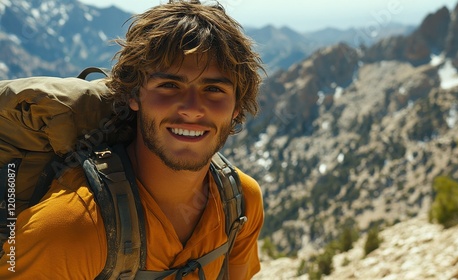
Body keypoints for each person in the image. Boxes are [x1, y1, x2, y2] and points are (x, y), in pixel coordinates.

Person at [0, 0, 265, 279]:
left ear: (236, 107)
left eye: (213, 89)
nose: (191, 108)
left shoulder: (240, 202)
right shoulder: (68, 229)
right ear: (134, 95)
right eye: (169, 85)